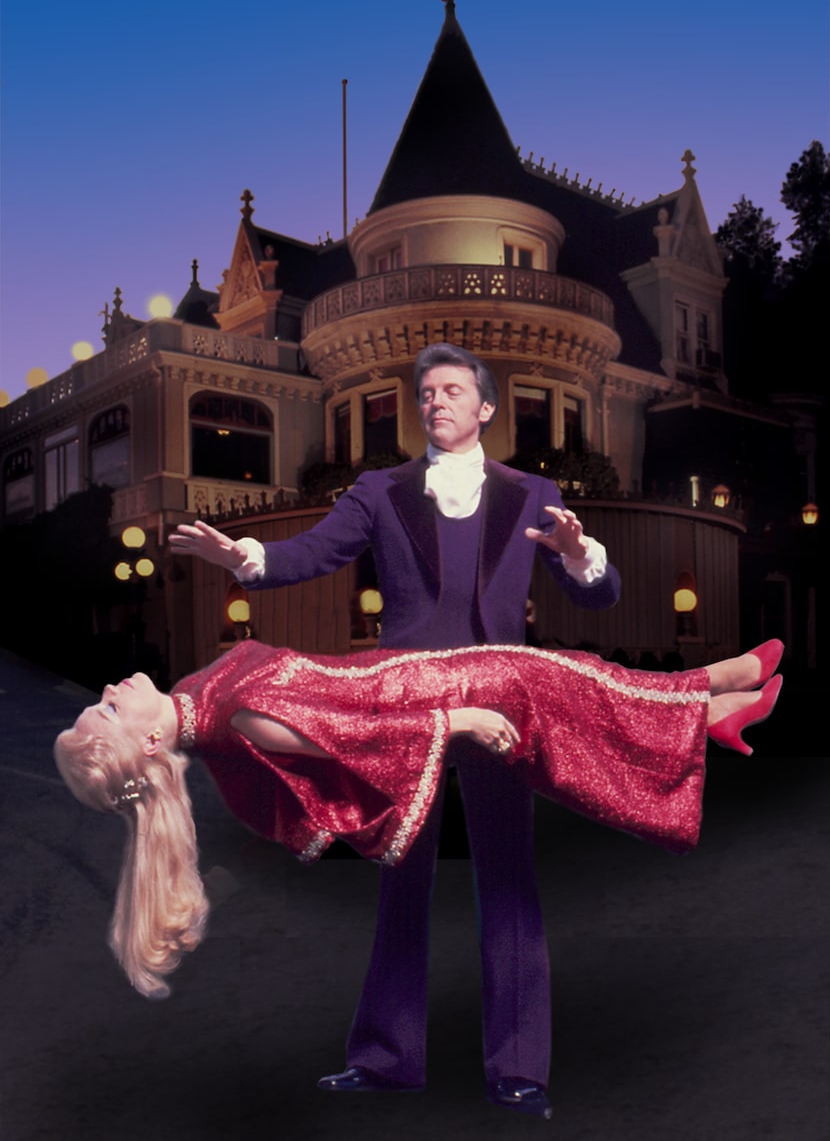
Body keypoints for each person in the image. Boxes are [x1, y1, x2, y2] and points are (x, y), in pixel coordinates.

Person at [170, 343, 622, 1119]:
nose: (435, 401)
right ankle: (386, 1057)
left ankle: (520, 1067)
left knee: (509, 877)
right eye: (426, 392)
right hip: (405, 701)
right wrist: (244, 556)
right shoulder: (380, 490)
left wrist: (580, 553)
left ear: (485, 407)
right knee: (400, 872)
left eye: (452, 390)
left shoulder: (535, 492)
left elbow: (599, 597)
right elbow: (314, 550)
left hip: (499, 700)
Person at [54, 637, 783, 1011]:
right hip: (429, 691)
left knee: (563, 677)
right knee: (552, 684)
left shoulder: (191, 697)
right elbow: (351, 735)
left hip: (411, 668)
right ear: (150, 745)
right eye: (112, 707)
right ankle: (708, 705)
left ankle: (713, 692)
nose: (115, 688)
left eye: (105, 698)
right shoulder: (236, 719)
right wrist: (453, 717)